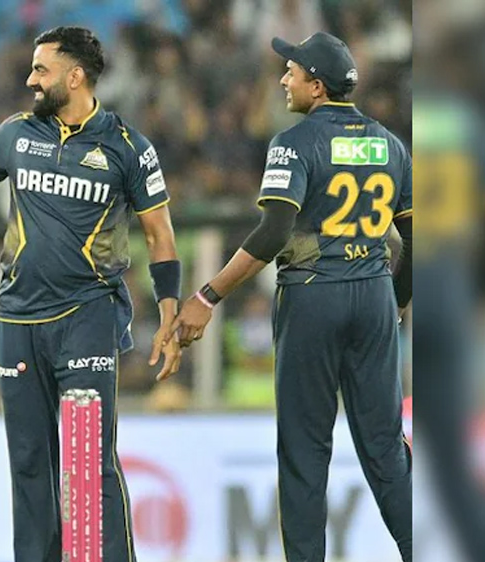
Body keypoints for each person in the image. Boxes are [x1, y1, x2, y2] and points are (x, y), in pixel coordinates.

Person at [172, 32, 412, 562]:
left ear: (317, 86)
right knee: (387, 450)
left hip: (312, 295)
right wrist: (394, 301)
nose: (284, 79)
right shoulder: (391, 144)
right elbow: (417, 238)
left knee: (305, 452)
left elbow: (274, 231)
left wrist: (208, 296)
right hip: (374, 294)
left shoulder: (294, 142)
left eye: (293, 71)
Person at [0, 26, 183, 562]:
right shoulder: (17, 134)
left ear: (75, 76)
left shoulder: (127, 147)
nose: (30, 79)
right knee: (29, 462)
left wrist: (170, 317)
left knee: (86, 462)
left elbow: (160, 236)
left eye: (41, 69)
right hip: (17, 321)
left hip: (87, 317)